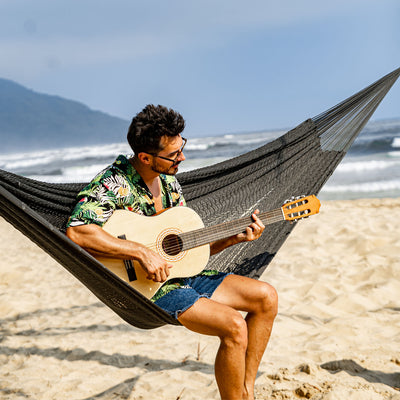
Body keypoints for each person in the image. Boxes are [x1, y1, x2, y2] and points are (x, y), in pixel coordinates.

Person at [66, 104, 278, 400]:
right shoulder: (113, 184)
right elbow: (78, 230)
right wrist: (139, 251)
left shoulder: (169, 182)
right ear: (145, 157)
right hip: (149, 290)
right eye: (174, 154)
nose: (183, 157)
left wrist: (233, 239)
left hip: (181, 276)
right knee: (233, 327)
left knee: (266, 297)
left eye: (182, 147)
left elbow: (184, 250)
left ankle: (246, 391)